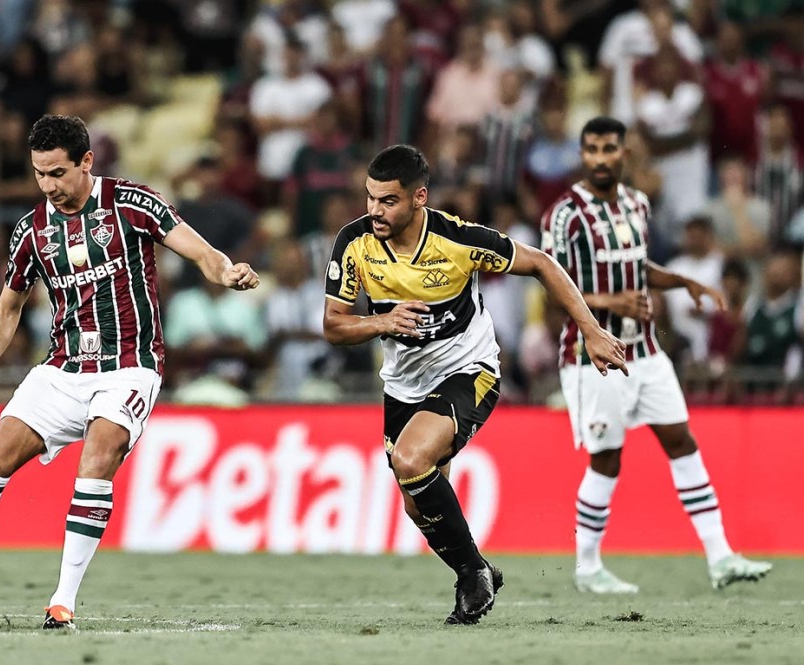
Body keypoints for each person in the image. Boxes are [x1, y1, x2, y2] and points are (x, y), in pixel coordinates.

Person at [0, 115, 260, 630]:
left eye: (57, 172)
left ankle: (63, 601)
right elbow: (9, 306)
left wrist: (227, 271)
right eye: (39, 173)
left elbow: (201, 252)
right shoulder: (32, 230)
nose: (48, 185)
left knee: (98, 457)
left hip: (129, 366)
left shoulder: (132, 203)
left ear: (86, 162)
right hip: (62, 368)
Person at [323, 144, 629, 625]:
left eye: (388, 201)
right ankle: (479, 567)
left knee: (411, 460)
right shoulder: (354, 243)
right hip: (402, 385)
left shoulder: (458, 240)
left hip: (469, 371)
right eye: (370, 198)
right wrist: (382, 322)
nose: (375, 211)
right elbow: (334, 325)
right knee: (417, 505)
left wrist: (590, 330)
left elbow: (542, 263)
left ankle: (471, 575)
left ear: (419, 197)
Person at [540, 115, 773, 595]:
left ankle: (720, 557)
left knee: (681, 440)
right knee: (607, 459)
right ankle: (587, 566)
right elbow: (551, 288)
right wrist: (612, 303)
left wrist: (681, 280)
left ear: (625, 153)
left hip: (646, 350)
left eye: (609, 149)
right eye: (592, 150)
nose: (600, 159)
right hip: (593, 355)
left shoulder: (638, 204)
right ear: (582, 155)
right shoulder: (564, 215)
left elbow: (635, 265)